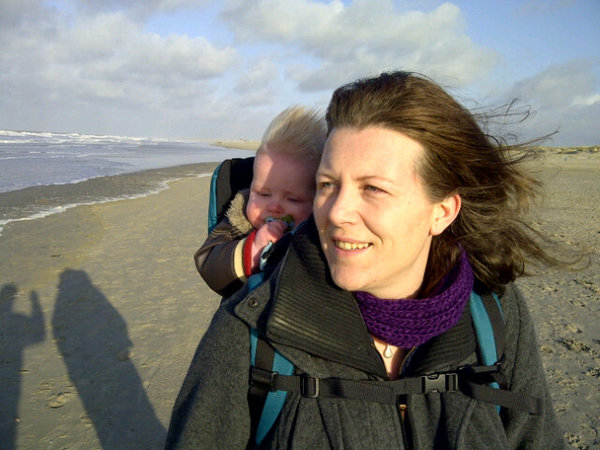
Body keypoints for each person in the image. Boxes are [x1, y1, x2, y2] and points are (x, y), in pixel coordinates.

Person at [166, 72, 566, 449]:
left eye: (372, 188)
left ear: (442, 211)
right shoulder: (250, 324)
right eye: (327, 185)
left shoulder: (495, 316)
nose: (336, 212)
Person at [195, 106, 326, 297]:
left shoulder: (320, 232)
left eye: (293, 199)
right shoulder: (238, 222)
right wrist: (253, 250)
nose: (274, 207)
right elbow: (207, 262)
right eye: (263, 194)